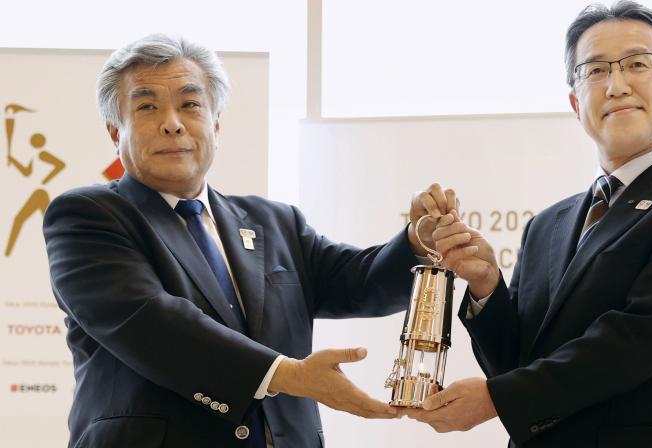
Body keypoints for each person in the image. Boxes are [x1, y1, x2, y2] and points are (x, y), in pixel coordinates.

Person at [43, 34, 456, 448]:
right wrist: (289, 375)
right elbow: (151, 323)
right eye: (147, 106)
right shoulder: (87, 216)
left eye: (190, 104)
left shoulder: (274, 221)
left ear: (216, 124)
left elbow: (359, 281)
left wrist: (416, 243)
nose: (173, 122)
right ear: (116, 132)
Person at [404, 2, 652, 447]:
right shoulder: (547, 225)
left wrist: (496, 399)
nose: (616, 85)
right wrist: (487, 288)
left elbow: (641, 338)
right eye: (594, 70)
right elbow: (516, 364)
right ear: (574, 102)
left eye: (637, 63)